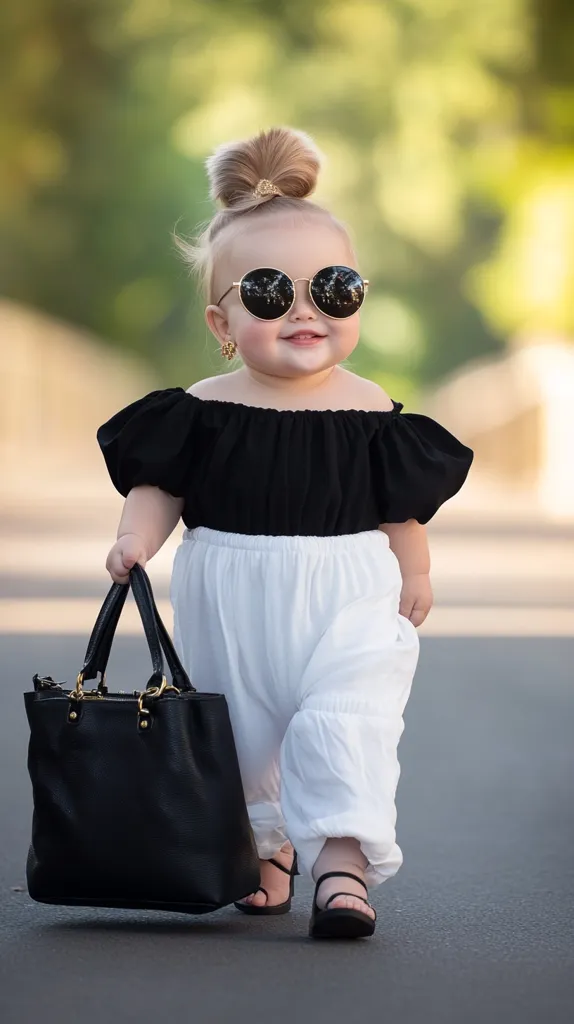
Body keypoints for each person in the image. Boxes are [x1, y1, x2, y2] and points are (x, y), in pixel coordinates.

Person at [97, 127, 473, 940]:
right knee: (243, 731)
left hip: (350, 590)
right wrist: (137, 538)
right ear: (223, 320)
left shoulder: (370, 406)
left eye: (333, 289)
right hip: (230, 593)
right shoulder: (203, 405)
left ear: (357, 302)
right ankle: (267, 847)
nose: (305, 310)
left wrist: (418, 570)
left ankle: (343, 858)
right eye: (270, 294)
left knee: (350, 709)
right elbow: (159, 485)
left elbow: (397, 504)